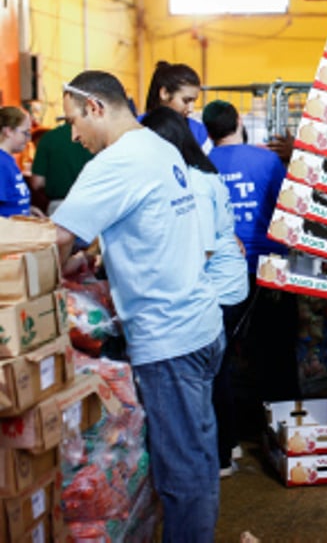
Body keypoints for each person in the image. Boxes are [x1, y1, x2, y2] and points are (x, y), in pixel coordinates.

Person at [52, 71, 224, 541]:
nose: (73, 134)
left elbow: (60, 239)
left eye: (73, 121)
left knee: (182, 471)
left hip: (169, 337)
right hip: (201, 324)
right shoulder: (158, 146)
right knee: (200, 455)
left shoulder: (117, 162)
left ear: (94, 108)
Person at [142, 106, 249, 479]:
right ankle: (228, 443)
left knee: (211, 372)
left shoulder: (194, 182)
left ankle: (220, 456)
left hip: (218, 287)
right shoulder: (197, 172)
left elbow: (199, 248)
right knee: (216, 370)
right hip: (223, 281)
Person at [204, 100, 297, 403]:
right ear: (239, 122)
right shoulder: (266, 161)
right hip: (271, 267)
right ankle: (280, 425)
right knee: (277, 350)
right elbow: (287, 208)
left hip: (223, 271)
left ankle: (233, 429)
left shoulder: (202, 166)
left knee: (226, 352)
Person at [143, 61, 210, 152]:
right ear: (165, 93)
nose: (191, 109)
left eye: (194, 101)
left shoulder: (199, 131)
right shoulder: (137, 128)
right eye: (186, 101)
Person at [29, 122, 93, 215]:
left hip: (59, 205)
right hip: (92, 204)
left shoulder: (49, 138)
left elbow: (37, 183)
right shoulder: (100, 137)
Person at [0, 106, 39, 217]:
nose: (29, 139)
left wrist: (26, 209)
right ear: (8, 131)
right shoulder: (1, 163)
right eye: (25, 133)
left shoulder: (8, 160)